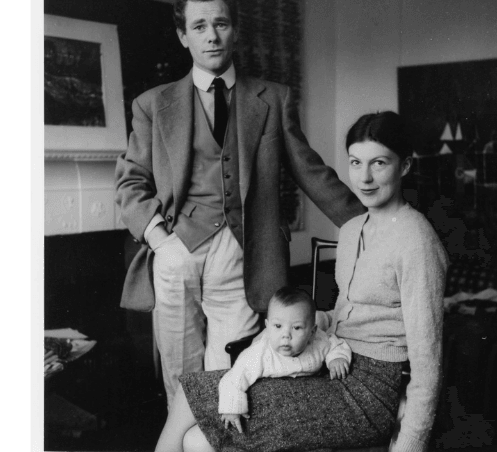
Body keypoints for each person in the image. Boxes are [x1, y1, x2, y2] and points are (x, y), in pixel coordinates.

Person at [114, 0, 363, 409]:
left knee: (232, 373)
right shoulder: (153, 104)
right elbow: (130, 181)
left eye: (221, 24)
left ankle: (219, 438)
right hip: (174, 250)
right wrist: (160, 241)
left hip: (244, 254)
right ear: (183, 36)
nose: (211, 36)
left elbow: (311, 171)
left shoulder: (272, 98)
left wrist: (372, 225)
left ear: (235, 30)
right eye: (199, 26)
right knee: (180, 377)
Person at [155, 111, 448, 452]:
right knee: (194, 430)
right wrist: (303, 323)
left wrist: (410, 444)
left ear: (405, 166)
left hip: (369, 394)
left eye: (379, 163)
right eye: (356, 163)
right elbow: (350, 313)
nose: (365, 178)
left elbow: (428, 361)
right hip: (330, 364)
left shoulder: (416, 240)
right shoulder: (352, 229)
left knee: (194, 411)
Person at [218, 287, 352, 434]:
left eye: (296, 328)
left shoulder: (318, 342)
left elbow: (334, 344)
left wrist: (336, 358)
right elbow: (233, 378)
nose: (286, 335)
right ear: (267, 326)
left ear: (312, 332)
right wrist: (232, 408)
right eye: (278, 326)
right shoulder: (260, 354)